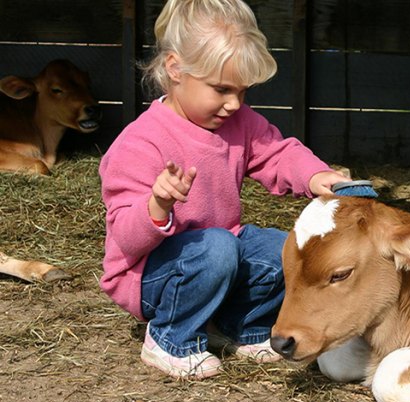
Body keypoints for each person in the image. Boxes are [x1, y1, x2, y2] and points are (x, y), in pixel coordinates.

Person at [98, 0, 350, 379]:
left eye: (243, 92)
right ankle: (170, 338)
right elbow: (126, 238)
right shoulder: (140, 143)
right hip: (150, 274)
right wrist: (157, 205)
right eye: (221, 89)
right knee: (217, 248)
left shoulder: (239, 123)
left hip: (219, 255)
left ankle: (237, 327)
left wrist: (316, 176)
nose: (234, 104)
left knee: (290, 249)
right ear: (175, 69)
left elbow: (277, 155)